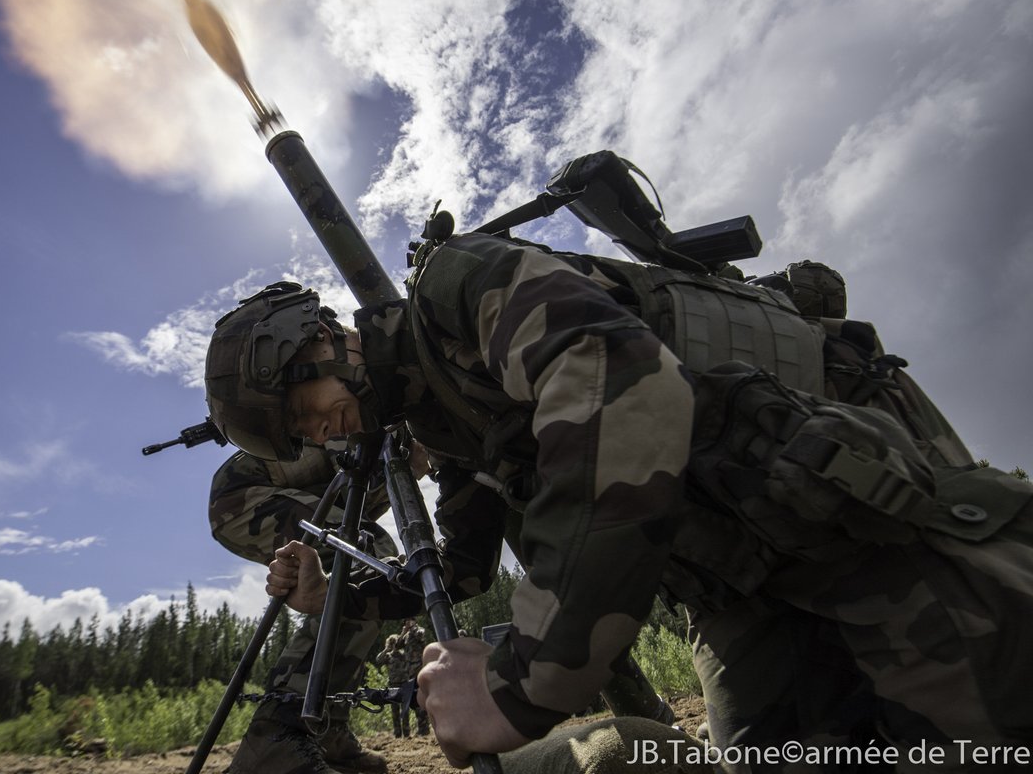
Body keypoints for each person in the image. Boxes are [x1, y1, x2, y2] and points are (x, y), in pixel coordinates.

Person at [206, 234, 1033, 772]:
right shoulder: (449, 427)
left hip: (864, 533)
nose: (319, 429)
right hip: (742, 592)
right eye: (294, 434)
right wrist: (337, 591)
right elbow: (460, 569)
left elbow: (622, 391)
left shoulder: (460, 289)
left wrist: (520, 684)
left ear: (318, 341)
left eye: (303, 405)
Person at [208, 446, 393, 774]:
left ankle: (325, 730)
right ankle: (276, 735)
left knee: (367, 559)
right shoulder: (364, 417)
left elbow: (356, 502)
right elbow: (345, 463)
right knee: (369, 555)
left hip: (279, 493)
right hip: (243, 494)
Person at [375, 633, 415, 738]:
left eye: (395, 643)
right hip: (393, 685)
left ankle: (407, 733)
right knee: (394, 711)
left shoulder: (404, 655)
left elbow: (411, 660)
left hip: (404, 685)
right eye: (392, 643)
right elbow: (378, 660)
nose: (394, 645)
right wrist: (386, 650)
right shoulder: (388, 657)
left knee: (405, 710)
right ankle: (397, 733)